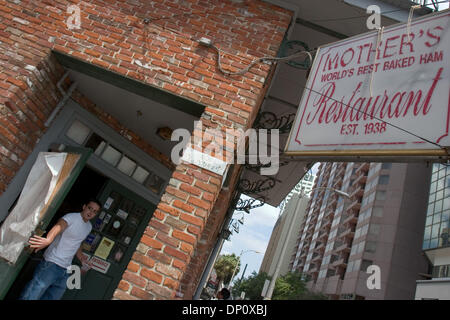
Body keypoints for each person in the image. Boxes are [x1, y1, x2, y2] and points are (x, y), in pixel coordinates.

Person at [19, 199, 101, 300]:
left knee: (53, 297)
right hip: (52, 263)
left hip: (66, 268)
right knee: (32, 294)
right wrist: (48, 239)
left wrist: (81, 258)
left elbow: (77, 243)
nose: (91, 212)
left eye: (94, 211)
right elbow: (59, 226)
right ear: (84, 207)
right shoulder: (71, 217)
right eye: (90, 208)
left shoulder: (88, 227)